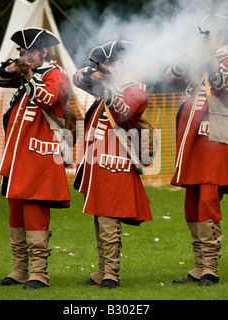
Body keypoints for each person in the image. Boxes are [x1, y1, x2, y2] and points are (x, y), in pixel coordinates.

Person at [165, 14, 228, 286]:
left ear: (222, 38)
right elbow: (171, 76)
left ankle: (210, 269)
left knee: (207, 203)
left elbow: (224, 84)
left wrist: (208, 56)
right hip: (193, 141)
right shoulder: (197, 56)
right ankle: (198, 267)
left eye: (209, 35)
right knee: (192, 205)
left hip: (215, 139)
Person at [0, 27, 71, 290]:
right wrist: (15, 68)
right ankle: (19, 271)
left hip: (40, 156)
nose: (25, 56)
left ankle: (38, 274)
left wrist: (28, 75)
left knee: (35, 214)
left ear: (43, 52)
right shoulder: (29, 72)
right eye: (22, 52)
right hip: (17, 157)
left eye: (29, 53)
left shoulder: (55, 75)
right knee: (16, 216)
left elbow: (47, 98)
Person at [73, 41, 153, 289]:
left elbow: (123, 111)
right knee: (100, 218)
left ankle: (111, 274)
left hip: (115, 161)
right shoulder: (107, 83)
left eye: (109, 63)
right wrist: (98, 74)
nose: (106, 67)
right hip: (97, 161)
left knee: (108, 220)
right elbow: (77, 78)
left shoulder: (136, 89)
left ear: (121, 64)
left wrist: (109, 86)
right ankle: (102, 271)